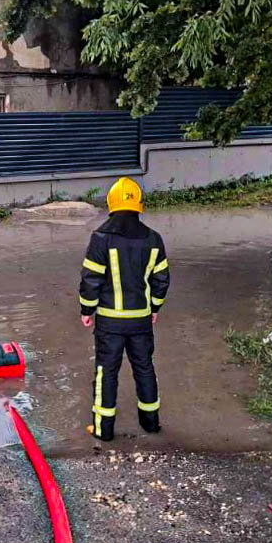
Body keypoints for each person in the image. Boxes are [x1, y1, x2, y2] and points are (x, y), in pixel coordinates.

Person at [78, 177, 170, 442]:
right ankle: (151, 424)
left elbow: (90, 279)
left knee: (106, 372)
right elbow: (161, 279)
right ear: (139, 206)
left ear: (111, 204)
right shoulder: (154, 239)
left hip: (109, 322)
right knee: (144, 368)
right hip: (141, 320)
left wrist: (87, 310)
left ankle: (103, 430)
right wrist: (155, 308)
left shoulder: (101, 238)